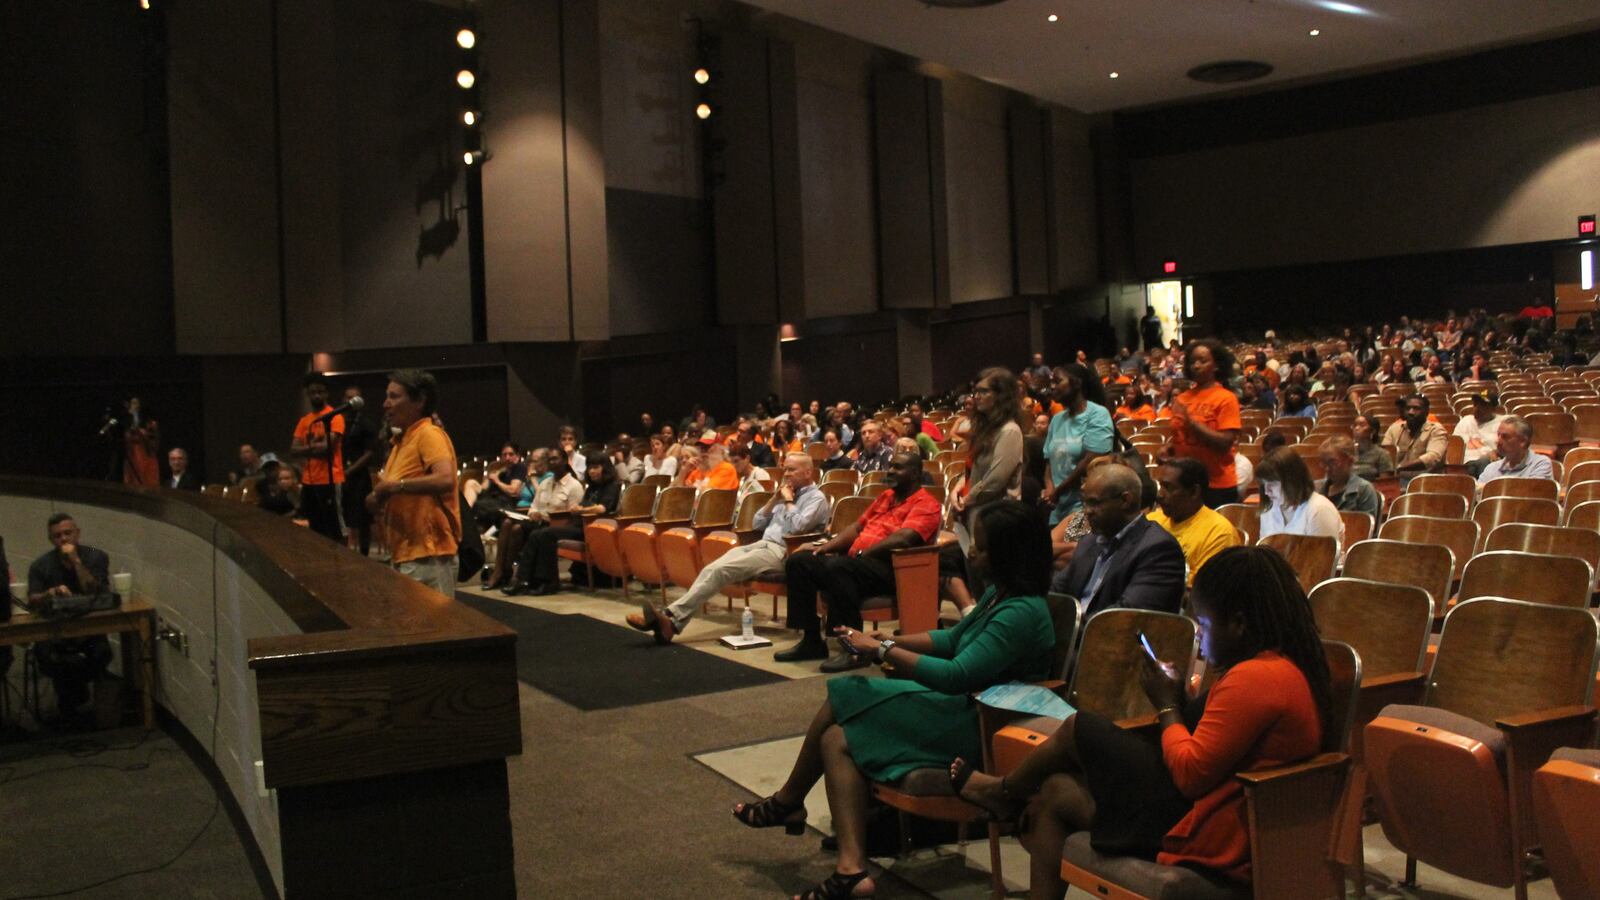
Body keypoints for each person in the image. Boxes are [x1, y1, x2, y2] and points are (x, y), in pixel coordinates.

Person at [952, 547, 1332, 899]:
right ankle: (1005, 794)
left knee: (1080, 728)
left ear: (1238, 624)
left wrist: (1167, 707)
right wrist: (1181, 702)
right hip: (1203, 805)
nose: (1199, 637)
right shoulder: (1275, 666)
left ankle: (1004, 792)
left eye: (1203, 623)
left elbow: (1190, 772)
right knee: (1055, 792)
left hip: (1211, 827)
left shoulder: (1256, 678)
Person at [734, 500, 1056, 900]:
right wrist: (886, 640)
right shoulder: (998, 596)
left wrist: (882, 651)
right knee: (836, 738)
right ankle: (851, 871)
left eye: (984, 547)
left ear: (1012, 555)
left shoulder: (1022, 612)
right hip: (961, 710)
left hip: (985, 728)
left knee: (848, 691)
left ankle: (788, 800)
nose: (971, 552)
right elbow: (952, 640)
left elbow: (957, 675)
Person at [629, 452, 831, 642]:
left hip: (784, 552)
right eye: (785, 469)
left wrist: (787, 501)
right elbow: (757, 523)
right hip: (761, 545)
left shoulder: (816, 499)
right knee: (711, 567)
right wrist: (774, 499)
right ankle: (670, 622)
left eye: (792, 470)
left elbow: (797, 527)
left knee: (720, 571)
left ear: (808, 473)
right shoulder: (786, 494)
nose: (786, 474)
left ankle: (670, 619)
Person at [774, 452, 942, 671]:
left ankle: (854, 650)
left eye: (898, 467)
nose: (890, 471)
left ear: (915, 473)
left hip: (893, 568)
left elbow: (905, 537)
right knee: (801, 561)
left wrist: (865, 553)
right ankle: (812, 640)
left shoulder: (927, 503)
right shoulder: (886, 497)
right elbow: (856, 528)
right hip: (859, 565)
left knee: (840, 566)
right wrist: (823, 547)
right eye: (890, 466)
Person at [1050, 463, 1185, 617]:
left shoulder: (1159, 549)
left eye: (1095, 503)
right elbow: (1056, 593)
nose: (1087, 511)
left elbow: (1124, 619)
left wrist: (1067, 629)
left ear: (1125, 500)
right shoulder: (1089, 540)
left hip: (1110, 637)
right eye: (1085, 503)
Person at [370, 369, 461, 596]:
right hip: (406, 552)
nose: (385, 404)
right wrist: (375, 498)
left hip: (430, 553)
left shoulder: (428, 434)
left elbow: (445, 479)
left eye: (394, 396)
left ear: (419, 400)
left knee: (438, 629)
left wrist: (394, 486)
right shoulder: (401, 442)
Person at [27, 514, 114, 724]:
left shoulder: (95, 557)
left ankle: (78, 704)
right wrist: (51, 592)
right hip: (55, 633)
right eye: (57, 536)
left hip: (89, 631)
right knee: (51, 657)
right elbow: (32, 599)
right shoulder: (41, 565)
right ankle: (72, 707)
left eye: (68, 533)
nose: (64, 539)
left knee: (101, 652)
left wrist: (76, 561)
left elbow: (94, 590)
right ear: (51, 540)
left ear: (78, 534)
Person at [507, 457, 621, 595]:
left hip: (594, 529)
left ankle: (548, 583)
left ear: (605, 468)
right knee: (537, 534)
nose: (592, 471)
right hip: (579, 524)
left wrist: (580, 510)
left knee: (546, 534)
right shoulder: (592, 487)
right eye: (590, 468)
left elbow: (602, 509)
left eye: (596, 468)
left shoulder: (613, 485)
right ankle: (524, 580)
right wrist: (579, 509)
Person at [1168, 341, 1242, 508]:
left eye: (1202, 361)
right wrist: (1169, 449)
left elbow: (1225, 443)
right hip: (1185, 484)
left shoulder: (1226, 398)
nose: (1196, 365)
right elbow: (1179, 437)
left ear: (1216, 365)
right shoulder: (1182, 398)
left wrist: (1192, 424)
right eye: (1192, 361)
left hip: (1216, 485)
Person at [1148, 457, 1241, 586]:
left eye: (1168, 487)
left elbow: (1202, 590)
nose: (1159, 495)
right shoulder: (1152, 519)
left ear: (1194, 492)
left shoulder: (1219, 533)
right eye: (1160, 486)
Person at [1042, 364, 1114, 526]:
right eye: (1051, 382)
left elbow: (1091, 459)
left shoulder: (1098, 414)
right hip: (1056, 505)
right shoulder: (1057, 419)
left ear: (1077, 383)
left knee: (1059, 548)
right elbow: (1049, 461)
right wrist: (1049, 489)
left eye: (1058, 381)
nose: (1052, 386)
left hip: (1085, 505)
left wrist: (1057, 491)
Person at [956, 367, 1025, 531]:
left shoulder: (1009, 431)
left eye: (984, 391)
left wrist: (965, 500)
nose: (977, 397)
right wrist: (957, 490)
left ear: (1001, 395)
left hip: (998, 518)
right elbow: (973, 468)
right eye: (975, 392)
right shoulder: (985, 430)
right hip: (978, 511)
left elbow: (995, 482)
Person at [290, 374, 347, 542]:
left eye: (320, 392)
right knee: (315, 526)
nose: (317, 396)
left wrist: (307, 448)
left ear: (327, 393)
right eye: (313, 392)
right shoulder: (304, 421)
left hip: (330, 478)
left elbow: (327, 449)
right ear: (308, 393)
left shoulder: (335, 416)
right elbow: (293, 450)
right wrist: (315, 445)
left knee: (335, 525)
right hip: (309, 480)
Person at [1255, 448, 1344, 542]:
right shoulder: (1268, 509)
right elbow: (1265, 553)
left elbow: (1322, 556)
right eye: (1264, 483)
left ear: (1292, 481)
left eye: (1272, 483)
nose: (1266, 491)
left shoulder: (1319, 510)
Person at [340, 385, 380, 555]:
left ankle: (364, 554)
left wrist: (349, 471)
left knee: (363, 520)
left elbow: (369, 453)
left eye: (355, 397)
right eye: (348, 397)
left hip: (359, 477)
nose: (351, 401)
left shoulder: (366, 424)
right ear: (344, 400)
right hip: (339, 475)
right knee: (342, 518)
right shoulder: (338, 421)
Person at [1382, 394, 1448, 485]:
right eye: (1408, 408)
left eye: (1416, 408)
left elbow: (1433, 457)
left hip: (1427, 481)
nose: (1411, 412)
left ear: (1426, 412)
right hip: (1398, 479)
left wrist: (1400, 467)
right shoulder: (1394, 429)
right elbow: (1385, 453)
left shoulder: (1436, 430)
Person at [463, 443, 528, 531]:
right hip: (491, 499)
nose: (507, 457)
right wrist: (488, 478)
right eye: (504, 455)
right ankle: (466, 515)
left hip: (504, 502)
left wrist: (497, 481)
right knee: (471, 482)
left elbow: (513, 490)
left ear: (517, 456)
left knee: (479, 504)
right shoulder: (501, 471)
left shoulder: (519, 468)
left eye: (511, 454)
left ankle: (466, 518)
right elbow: (483, 489)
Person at [1316, 436, 1381, 519]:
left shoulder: (1364, 489)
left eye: (1333, 462)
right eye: (1324, 463)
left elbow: (1365, 528)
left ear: (1349, 461)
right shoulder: (1316, 489)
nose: (1327, 468)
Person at [1477, 415, 1554, 484]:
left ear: (1523, 441)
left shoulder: (1540, 464)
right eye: (1498, 435)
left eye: (1505, 437)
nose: (1497, 441)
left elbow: (1531, 494)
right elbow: (1478, 496)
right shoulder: (1491, 468)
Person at [1453, 389, 1503, 477]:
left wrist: (1496, 452)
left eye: (1483, 405)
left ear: (1493, 408)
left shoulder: (1502, 423)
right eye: (1476, 404)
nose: (1477, 408)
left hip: (1490, 465)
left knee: (1484, 462)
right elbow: (1454, 447)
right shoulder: (1465, 421)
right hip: (1465, 466)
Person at [122, 396, 160, 487]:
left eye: (136, 403)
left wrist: (142, 433)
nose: (133, 406)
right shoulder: (126, 421)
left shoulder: (150, 423)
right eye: (132, 403)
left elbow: (154, 443)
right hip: (132, 456)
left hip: (145, 456)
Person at [1351, 414, 1396, 481]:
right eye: (1355, 425)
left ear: (1373, 431)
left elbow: (1385, 484)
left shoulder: (1382, 454)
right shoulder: (1347, 453)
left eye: (1362, 425)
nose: (1356, 428)